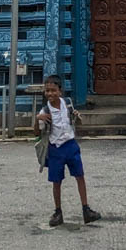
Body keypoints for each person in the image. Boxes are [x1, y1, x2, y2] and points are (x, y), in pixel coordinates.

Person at [34, 74, 100, 227]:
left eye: (53, 90)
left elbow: (76, 124)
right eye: (47, 91)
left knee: (80, 176)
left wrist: (78, 117)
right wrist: (38, 119)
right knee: (56, 181)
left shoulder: (68, 104)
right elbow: (37, 133)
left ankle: (86, 209)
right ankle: (58, 212)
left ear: (60, 91)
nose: (50, 94)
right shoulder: (45, 111)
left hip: (70, 145)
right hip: (55, 148)